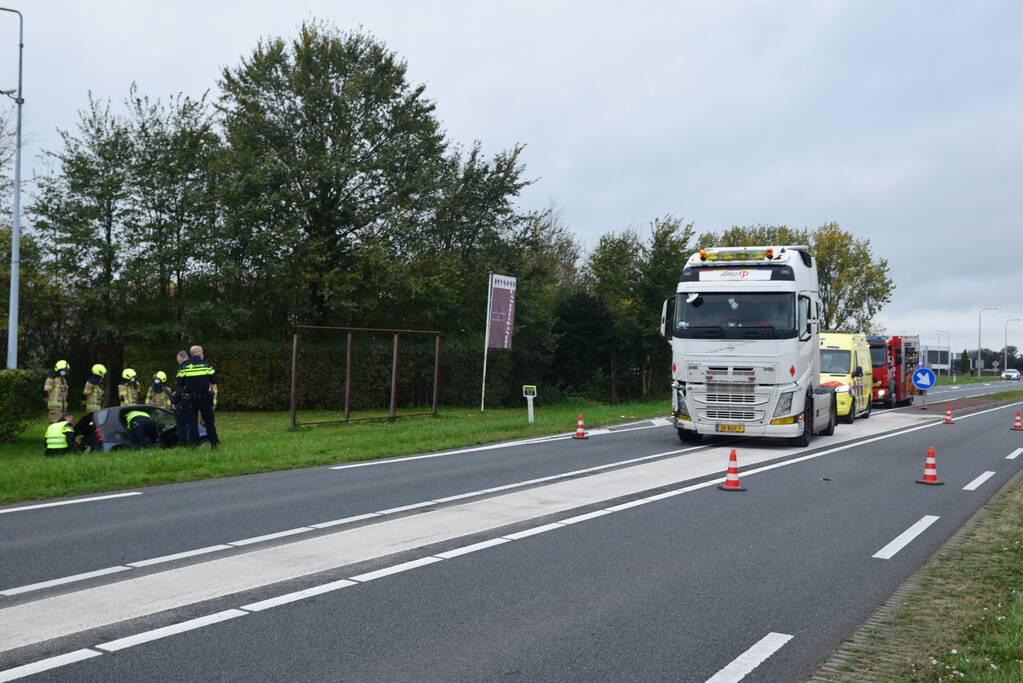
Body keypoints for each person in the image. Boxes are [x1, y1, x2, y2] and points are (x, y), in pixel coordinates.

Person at [176, 345, 219, 448]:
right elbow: (214, 381)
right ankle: (213, 444)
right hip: (205, 399)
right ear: (200, 353)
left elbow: (179, 385)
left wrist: (177, 400)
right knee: (209, 422)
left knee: (192, 424)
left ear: (191, 354)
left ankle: (193, 446)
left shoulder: (184, 367)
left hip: (190, 399)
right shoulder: (207, 365)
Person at [172, 350, 189, 445]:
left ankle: (183, 443)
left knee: (181, 423)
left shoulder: (183, 368)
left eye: (177, 359)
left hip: (184, 400)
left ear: (180, 357)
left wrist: (174, 401)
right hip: (194, 398)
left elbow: (180, 387)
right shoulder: (193, 366)